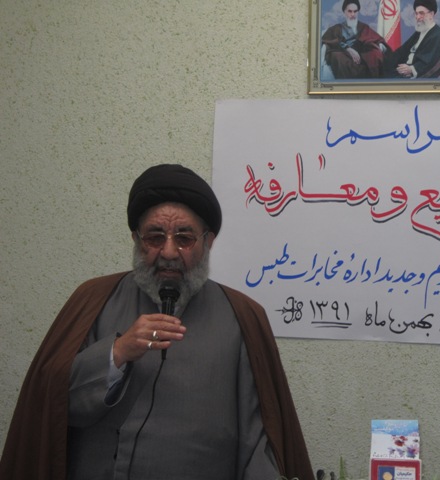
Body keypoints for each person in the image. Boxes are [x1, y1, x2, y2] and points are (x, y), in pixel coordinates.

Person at [0, 164, 314, 480]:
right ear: (136, 239)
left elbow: (256, 441)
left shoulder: (242, 316)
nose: (169, 252)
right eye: (154, 237)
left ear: (208, 241)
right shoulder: (93, 300)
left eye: (184, 238)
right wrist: (116, 353)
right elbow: (52, 409)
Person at [322, 0, 390, 79]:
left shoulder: (363, 27)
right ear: (344, 12)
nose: (353, 14)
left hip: (361, 55)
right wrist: (348, 48)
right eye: (350, 11)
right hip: (344, 54)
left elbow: (375, 39)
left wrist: (378, 45)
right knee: (336, 56)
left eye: (355, 11)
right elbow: (329, 40)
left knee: (375, 54)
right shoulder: (337, 28)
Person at [384, 0, 440, 79]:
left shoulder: (439, 35)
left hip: (417, 77)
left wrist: (411, 69)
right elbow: (401, 52)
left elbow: (429, 62)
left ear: (431, 14)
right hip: (403, 71)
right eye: (416, 13)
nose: (417, 17)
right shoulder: (419, 32)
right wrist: (384, 56)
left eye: (421, 13)